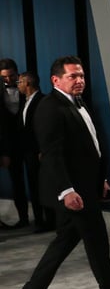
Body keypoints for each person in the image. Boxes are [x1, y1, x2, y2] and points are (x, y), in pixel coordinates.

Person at [10, 56, 110, 289]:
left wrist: (100, 180)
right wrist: (67, 191)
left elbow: (88, 148)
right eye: (73, 76)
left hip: (85, 187)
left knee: (64, 241)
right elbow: (52, 154)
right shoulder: (50, 107)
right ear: (56, 80)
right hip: (73, 192)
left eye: (81, 75)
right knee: (98, 243)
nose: (80, 80)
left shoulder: (78, 103)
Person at [18, 71, 54, 232]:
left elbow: (45, 128)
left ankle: (50, 221)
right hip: (28, 153)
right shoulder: (23, 102)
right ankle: (40, 221)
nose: (18, 85)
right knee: (34, 186)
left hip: (39, 153)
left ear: (27, 83)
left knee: (45, 186)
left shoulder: (43, 100)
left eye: (20, 82)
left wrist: (42, 149)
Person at [0, 58, 29, 229]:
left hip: (30, 144)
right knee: (17, 183)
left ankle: (45, 219)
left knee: (38, 181)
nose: (8, 80)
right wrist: (4, 152)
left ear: (17, 73)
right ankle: (24, 219)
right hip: (10, 147)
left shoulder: (28, 89)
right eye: (4, 77)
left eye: (11, 76)